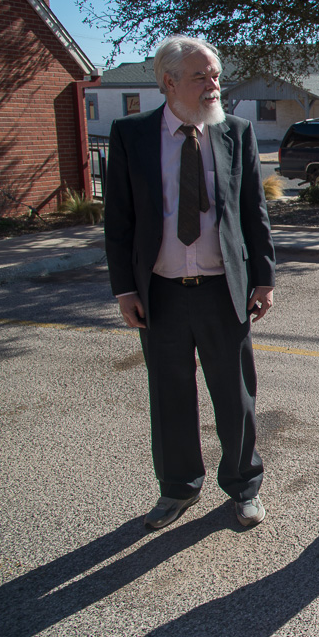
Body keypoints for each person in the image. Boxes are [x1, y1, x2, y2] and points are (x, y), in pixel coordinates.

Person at [104, 35, 276, 530]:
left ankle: (244, 486)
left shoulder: (235, 132)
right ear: (169, 82)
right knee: (170, 395)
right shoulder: (131, 134)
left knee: (236, 396)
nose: (213, 86)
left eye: (216, 75)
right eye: (201, 76)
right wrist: (126, 290)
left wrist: (262, 278)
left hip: (224, 290)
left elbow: (253, 213)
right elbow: (120, 220)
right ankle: (178, 489)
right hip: (159, 292)